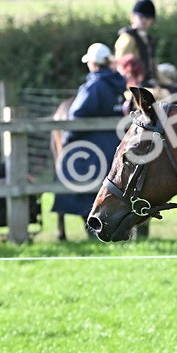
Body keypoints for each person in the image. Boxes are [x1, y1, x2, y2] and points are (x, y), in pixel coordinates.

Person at [51, 43, 126, 223]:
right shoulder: (118, 84)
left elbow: (76, 116)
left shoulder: (94, 86)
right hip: (113, 146)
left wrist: (68, 139)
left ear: (93, 64)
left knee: (78, 181)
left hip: (93, 149)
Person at [115, 0, 159, 86]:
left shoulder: (147, 38)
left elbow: (151, 64)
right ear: (132, 17)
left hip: (148, 82)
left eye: (148, 18)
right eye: (141, 17)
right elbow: (120, 65)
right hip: (133, 86)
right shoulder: (128, 37)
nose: (144, 21)